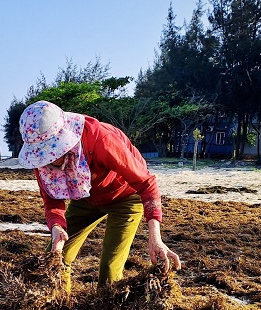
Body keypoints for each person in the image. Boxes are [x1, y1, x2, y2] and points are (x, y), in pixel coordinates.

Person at [18, 100, 181, 290]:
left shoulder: (101, 139)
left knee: (109, 269)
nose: (48, 160)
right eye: (43, 156)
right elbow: (52, 199)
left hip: (126, 196)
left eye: (51, 153)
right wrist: (56, 228)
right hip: (85, 197)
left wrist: (155, 238)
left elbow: (146, 183)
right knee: (54, 261)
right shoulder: (41, 159)